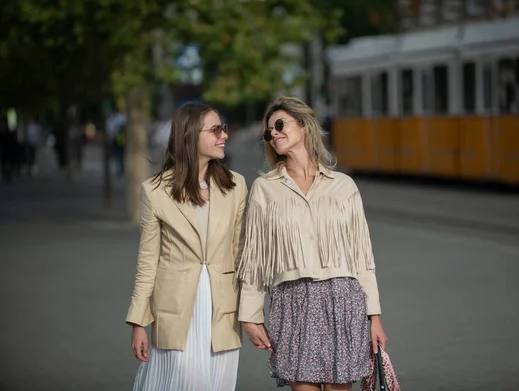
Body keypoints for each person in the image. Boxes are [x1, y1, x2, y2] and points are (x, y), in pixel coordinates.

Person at [237, 96, 387, 390]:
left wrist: (375, 317)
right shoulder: (264, 189)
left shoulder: (343, 185)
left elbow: (362, 256)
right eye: (269, 131)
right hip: (293, 301)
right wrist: (250, 316)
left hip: (342, 300)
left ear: (304, 126)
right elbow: (254, 258)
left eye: (280, 125)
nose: (274, 133)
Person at [125, 102, 247, 391]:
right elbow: (147, 262)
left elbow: (242, 255)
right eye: (216, 129)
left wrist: (253, 314)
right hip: (175, 314)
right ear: (190, 135)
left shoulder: (237, 186)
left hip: (223, 313)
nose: (224, 135)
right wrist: (138, 322)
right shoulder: (155, 192)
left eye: (224, 128)